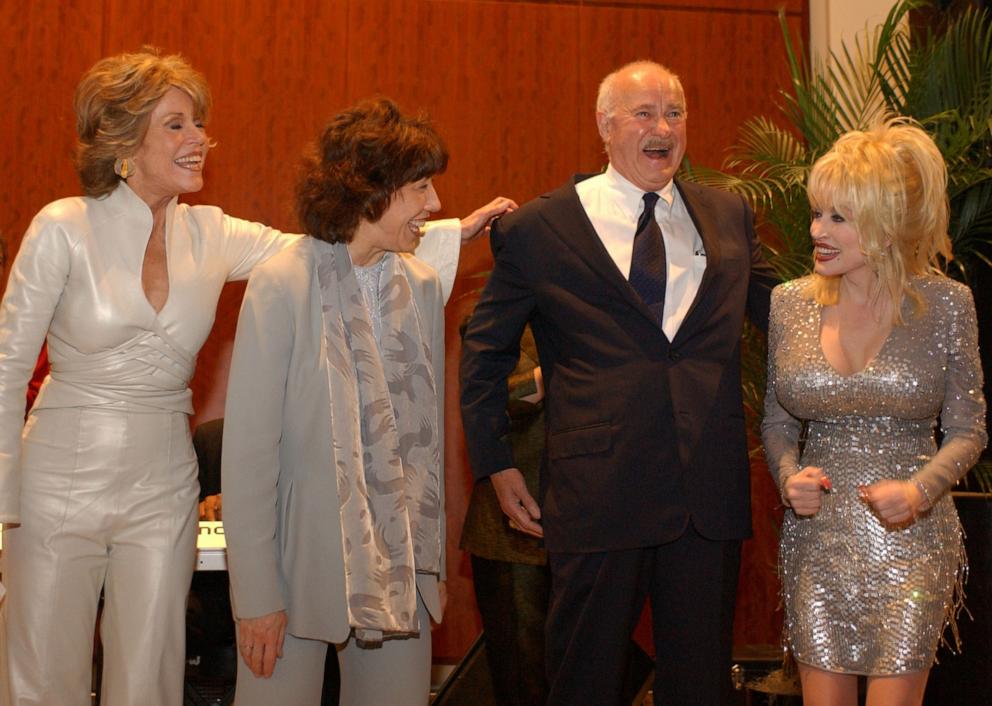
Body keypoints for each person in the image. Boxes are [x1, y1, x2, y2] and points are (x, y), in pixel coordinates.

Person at [0, 48, 485, 706]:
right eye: (177, 124)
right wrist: (1, 513)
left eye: (199, 123)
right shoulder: (62, 227)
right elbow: (5, 370)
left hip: (161, 485)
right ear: (121, 136)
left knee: (149, 681)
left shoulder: (211, 232)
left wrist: (442, 230)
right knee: (42, 682)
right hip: (55, 477)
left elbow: (336, 246)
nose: (200, 139)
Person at [460, 60, 778, 705]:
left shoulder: (729, 216)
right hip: (595, 492)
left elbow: (790, 318)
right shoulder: (538, 228)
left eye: (675, 113)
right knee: (585, 680)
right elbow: (485, 352)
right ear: (605, 126)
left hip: (706, 497)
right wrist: (495, 462)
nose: (663, 127)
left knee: (700, 687)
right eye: (644, 113)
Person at [222, 97, 459, 706]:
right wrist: (256, 598)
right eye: (422, 188)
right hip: (293, 576)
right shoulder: (282, 283)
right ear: (371, 190)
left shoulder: (424, 287)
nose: (434, 206)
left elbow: (427, 446)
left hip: (399, 573)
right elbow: (248, 459)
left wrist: (427, 571)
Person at [761, 120, 987, 706]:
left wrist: (919, 492)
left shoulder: (946, 305)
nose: (817, 231)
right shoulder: (789, 303)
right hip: (816, 542)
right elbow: (778, 423)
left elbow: (968, 430)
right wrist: (789, 479)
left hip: (912, 543)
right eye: (817, 214)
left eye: (839, 217)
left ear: (885, 226)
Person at [459, 324, 550, 706]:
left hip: (581, 532)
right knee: (523, 681)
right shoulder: (496, 311)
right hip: (512, 540)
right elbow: (501, 394)